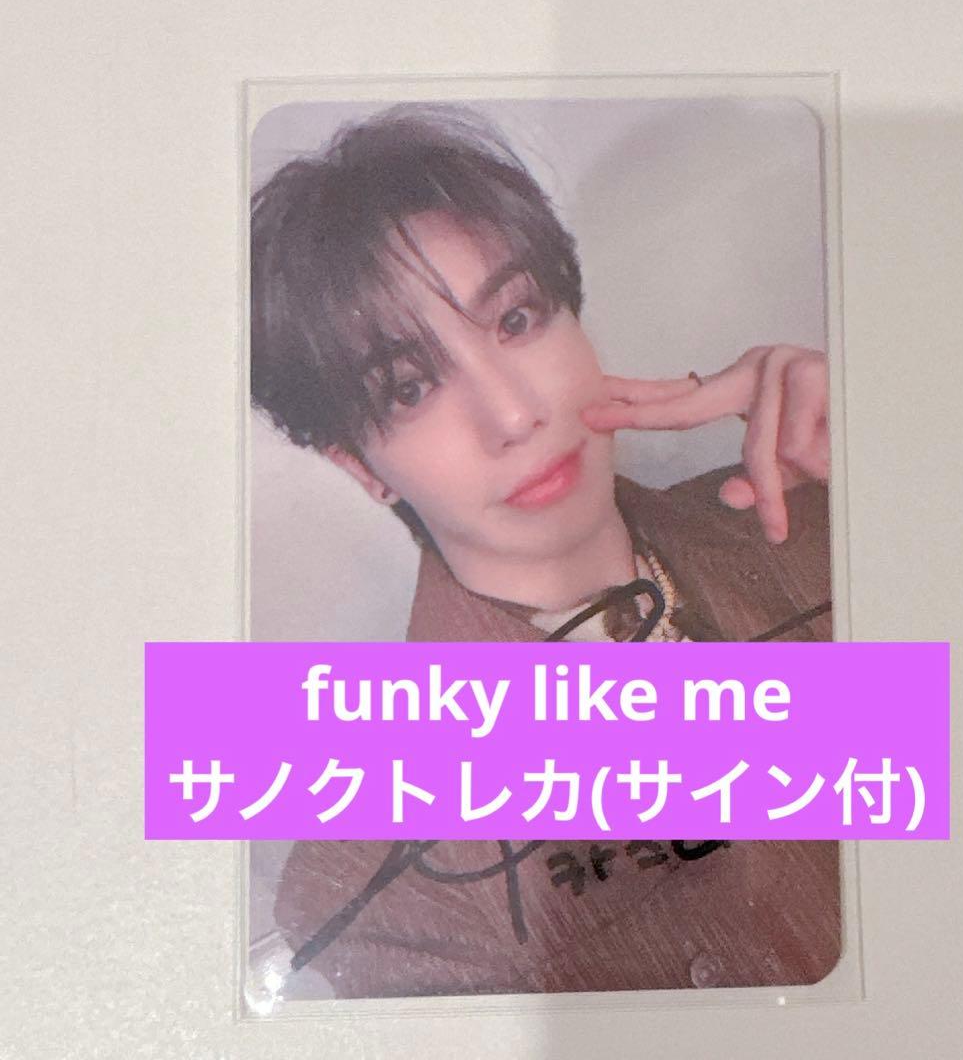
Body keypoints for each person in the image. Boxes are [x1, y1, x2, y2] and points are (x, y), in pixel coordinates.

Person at [250, 104, 839, 998]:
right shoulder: (375, 874)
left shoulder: (814, 512)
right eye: (408, 388)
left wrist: (902, 465)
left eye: (518, 318)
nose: (515, 413)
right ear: (360, 466)